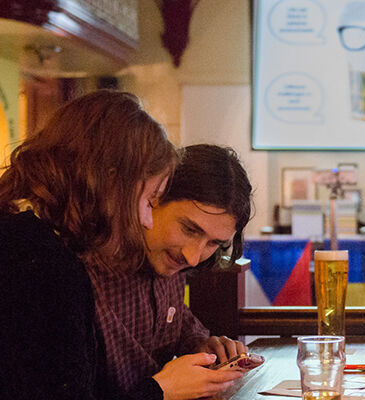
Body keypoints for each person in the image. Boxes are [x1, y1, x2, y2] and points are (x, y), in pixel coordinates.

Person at [0, 90, 178, 399]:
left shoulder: (21, 235)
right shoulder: (46, 266)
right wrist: (160, 390)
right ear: (111, 181)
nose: (149, 220)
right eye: (149, 200)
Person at [88, 144, 253, 399]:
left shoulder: (168, 261)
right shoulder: (84, 269)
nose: (193, 256)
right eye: (189, 229)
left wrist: (202, 345)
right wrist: (162, 390)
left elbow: (173, 318)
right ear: (151, 198)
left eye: (213, 243)